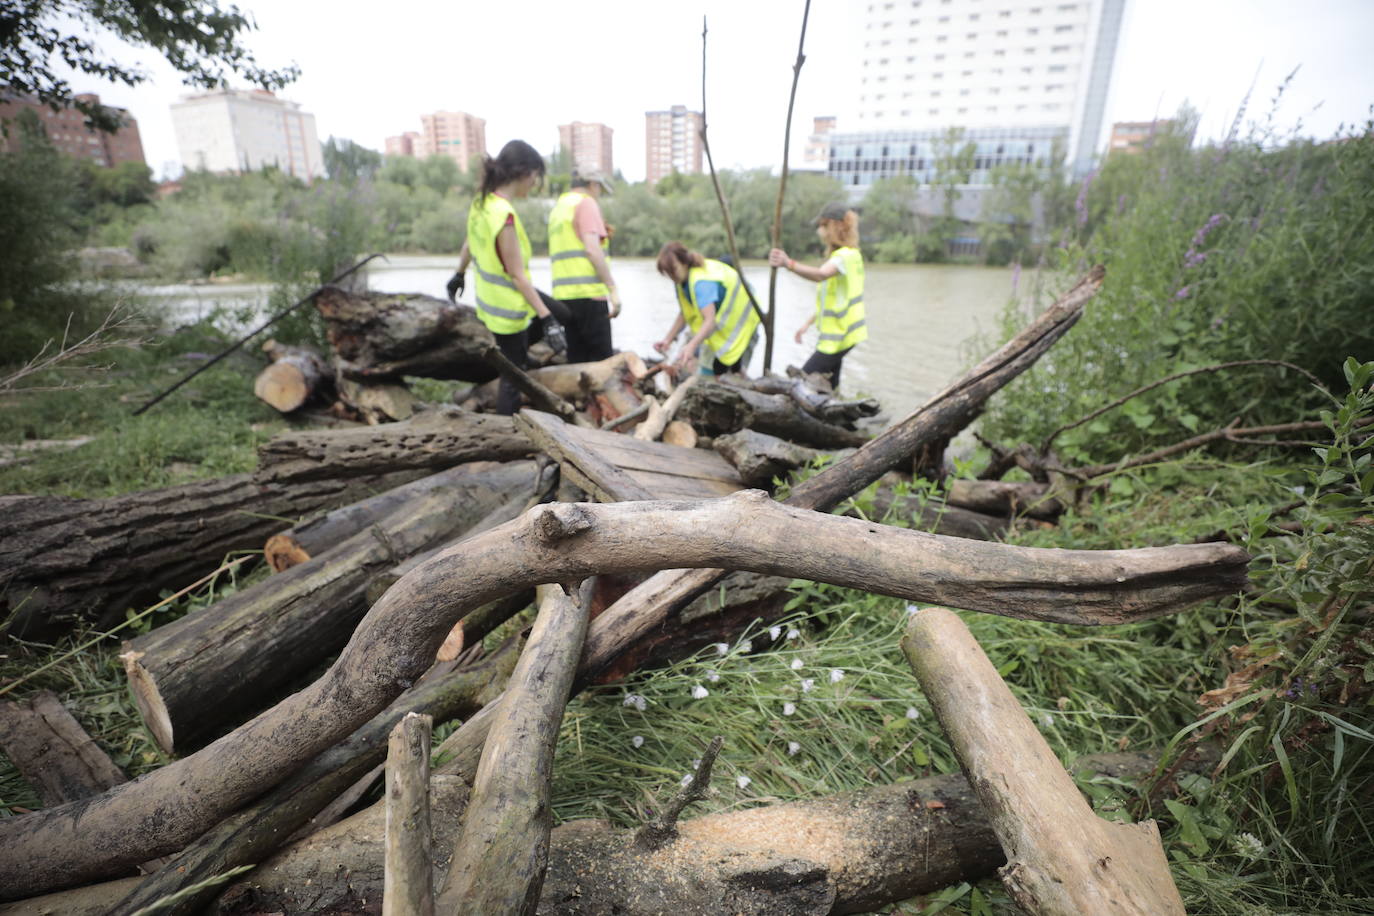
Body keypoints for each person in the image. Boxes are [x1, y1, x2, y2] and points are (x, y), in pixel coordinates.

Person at [446, 140, 570, 415]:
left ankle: (522, 351)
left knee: (563, 312)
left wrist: (459, 273)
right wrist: (546, 320)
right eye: (536, 176)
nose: (535, 183)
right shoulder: (504, 215)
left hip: (492, 301)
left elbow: (469, 242)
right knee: (513, 380)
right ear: (525, 173)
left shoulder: (483, 203)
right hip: (508, 310)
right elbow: (516, 274)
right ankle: (507, 436)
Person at [768, 202, 867, 390]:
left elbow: (820, 275)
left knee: (803, 380)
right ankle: (839, 417)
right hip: (843, 335)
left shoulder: (845, 256)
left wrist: (788, 263)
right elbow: (831, 299)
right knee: (830, 383)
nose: (820, 232)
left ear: (837, 225)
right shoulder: (848, 256)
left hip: (839, 336)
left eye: (823, 225)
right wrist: (807, 323)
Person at [653, 241, 759, 377]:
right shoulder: (682, 281)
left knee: (728, 373)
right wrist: (668, 339)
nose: (672, 276)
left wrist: (691, 346)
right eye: (668, 273)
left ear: (684, 262)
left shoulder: (701, 283)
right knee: (715, 371)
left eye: (674, 270)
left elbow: (710, 320)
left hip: (743, 324)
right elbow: (685, 314)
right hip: (721, 328)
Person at [547, 170, 621, 363]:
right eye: (599, 190)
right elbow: (592, 250)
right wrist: (612, 288)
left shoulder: (559, 208)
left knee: (577, 362)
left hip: (564, 297)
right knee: (602, 366)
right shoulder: (586, 203)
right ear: (593, 185)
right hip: (589, 296)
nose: (598, 195)